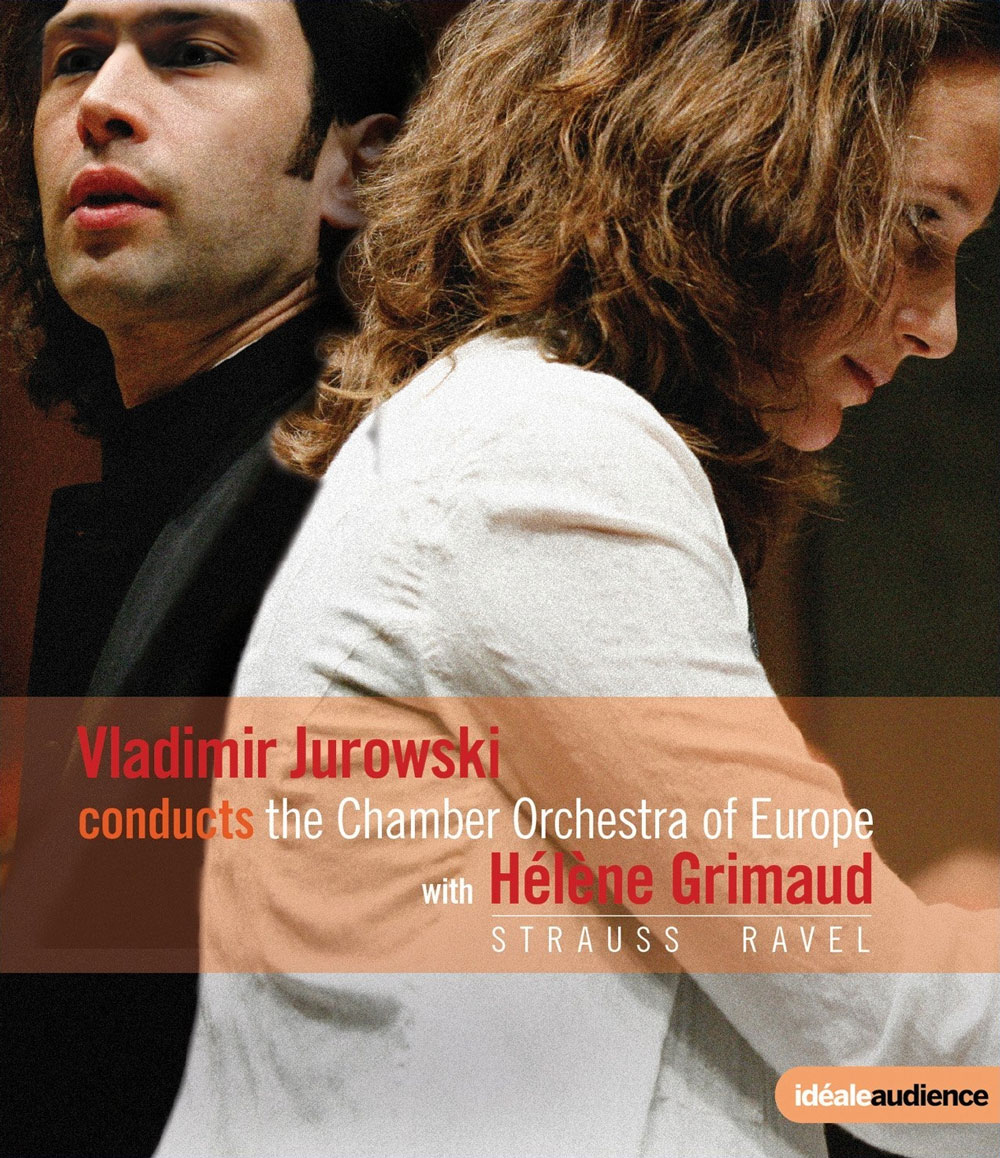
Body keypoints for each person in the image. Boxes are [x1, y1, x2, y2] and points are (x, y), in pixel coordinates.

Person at [163, 1, 996, 1156]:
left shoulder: (508, 430)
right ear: (747, 149)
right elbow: (895, 1055)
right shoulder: (547, 452)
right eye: (919, 222)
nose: (939, 324)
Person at [0, 2, 425, 1155]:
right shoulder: (160, 482)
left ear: (358, 169)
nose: (100, 103)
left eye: (191, 53)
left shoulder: (393, 496)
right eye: (74, 60)